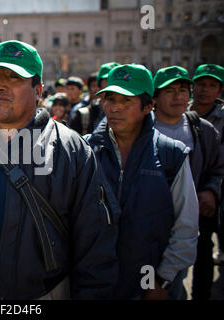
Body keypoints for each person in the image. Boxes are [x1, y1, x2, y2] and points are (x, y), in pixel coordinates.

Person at [0, 40, 119, 300]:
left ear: (38, 90)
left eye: (14, 77)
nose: (0, 86)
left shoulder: (71, 150)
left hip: (43, 294)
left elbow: (94, 239)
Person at [86, 64, 199, 300]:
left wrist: (162, 280)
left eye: (126, 101)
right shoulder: (85, 151)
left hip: (149, 286)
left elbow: (186, 226)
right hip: (95, 284)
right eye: (110, 98)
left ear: (148, 106)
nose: (115, 108)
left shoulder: (172, 154)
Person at [153, 65, 223, 299]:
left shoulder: (203, 131)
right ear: (154, 97)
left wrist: (211, 192)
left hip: (193, 222)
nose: (179, 97)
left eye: (184, 90)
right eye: (170, 91)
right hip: (151, 225)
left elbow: (218, 169)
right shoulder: (141, 129)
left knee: (191, 268)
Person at [188, 64, 224, 299]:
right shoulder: (179, 112)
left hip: (208, 197)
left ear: (220, 90)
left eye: (212, 85)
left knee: (203, 250)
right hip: (182, 194)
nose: (205, 90)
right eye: (201, 84)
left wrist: (211, 190)